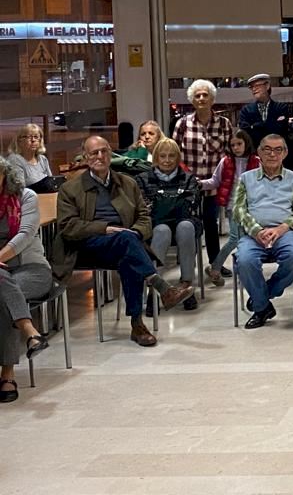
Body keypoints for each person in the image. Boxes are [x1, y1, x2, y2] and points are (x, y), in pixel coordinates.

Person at [57, 136, 192, 346]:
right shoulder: (70, 188)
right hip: (88, 246)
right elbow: (68, 227)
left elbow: (144, 217)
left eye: (104, 151)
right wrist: (104, 228)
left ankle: (137, 325)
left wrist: (136, 233)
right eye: (94, 153)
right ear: (85, 157)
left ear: (111, 155)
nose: (100, 156)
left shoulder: (127, 183)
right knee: (127, 243)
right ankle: (162, 290)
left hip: (124, 242)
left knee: (129, 255)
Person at [232, 134, 293, 329]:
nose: (272, 154)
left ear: (285, 153)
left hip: (284, 232)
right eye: (267, 149)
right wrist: (256, 231)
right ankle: (262, 308)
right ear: (259, 152)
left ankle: (262, 296)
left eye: (278, 150)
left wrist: (283, 227)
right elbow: (238, 209)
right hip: (253, 233)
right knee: (245, 260)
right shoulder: (246, 178)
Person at [0, 156, 50, 403]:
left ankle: (7, 374)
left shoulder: (26, 197)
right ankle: (30, 333)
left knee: (4, 298)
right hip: (2, 275)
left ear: (4, 175)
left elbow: (25, 235)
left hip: (31, 270)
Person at [172, 78, 233, 277]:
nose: (201, 98)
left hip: (213, 185)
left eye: (205, 95)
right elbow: (174, 154)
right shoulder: (182, 124)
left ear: (212, 99)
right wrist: (188, 178)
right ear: (192, 99)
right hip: (189, 185)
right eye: (197, 95)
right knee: (189, 226)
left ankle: (215, 265)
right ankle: (188, 267)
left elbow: (230, 154)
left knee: (211, 224)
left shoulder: (224, 124)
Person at [134, 138, 201, 311]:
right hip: (156, 224)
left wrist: (161, 201)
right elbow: (145, 208)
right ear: (156, 157)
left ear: (178, 157)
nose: (167, 160)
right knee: (162, 230)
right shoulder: (141, 179)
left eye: (171, 156)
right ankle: (156, 290)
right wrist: (175, 199)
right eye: (162, 156)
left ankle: (186, 286)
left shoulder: (189, 178)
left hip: (183, 221)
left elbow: (189, 205)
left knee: (186, 227)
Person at [201, 129, 259, 286]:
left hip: (252, 207)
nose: (236, 148)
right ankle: (215, 268)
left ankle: (243, 270)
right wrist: (199, 184)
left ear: (246, 143)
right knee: (235, 238)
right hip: (233, 206)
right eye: (233, 145)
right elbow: (214, 181)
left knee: (247, 239)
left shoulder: (256, 161)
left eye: (239, 144)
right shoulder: (225, 161)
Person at [238, 73, 292, 151]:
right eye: (251, 87)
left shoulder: (281, 108)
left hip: (277, 151)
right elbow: (245, 133)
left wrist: (254, 126)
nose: (254, 89)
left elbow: (281, 130)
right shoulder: (246, 110)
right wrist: (270, 125)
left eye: (257, 85)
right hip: (254, 151)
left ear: (267, 86)